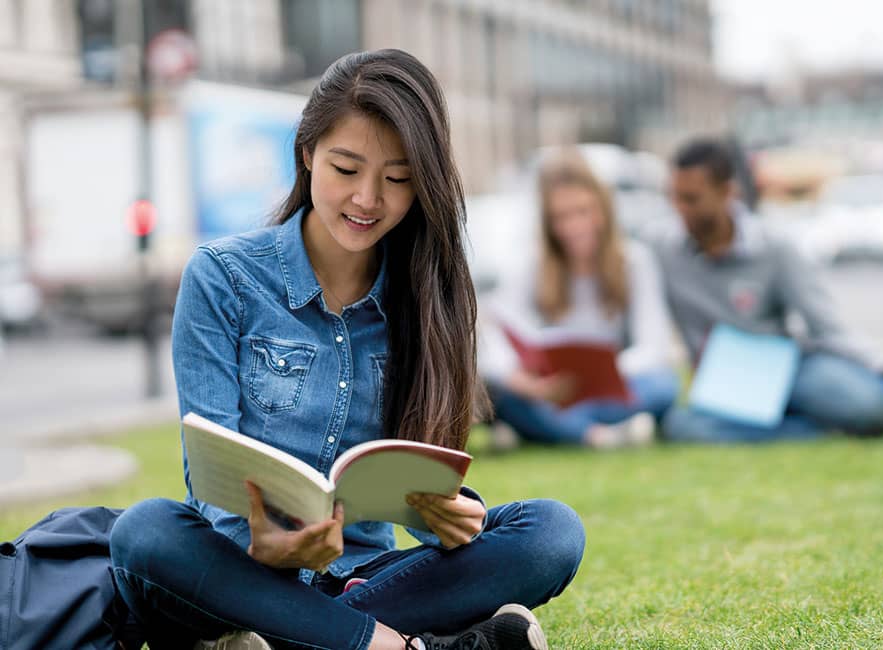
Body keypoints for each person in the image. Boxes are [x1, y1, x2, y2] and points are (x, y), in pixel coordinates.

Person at [109, 50, 584, 650]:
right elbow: (211, 478)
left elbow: (419, 477)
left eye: (397, 179)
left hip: (360, 578)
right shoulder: (223, 277)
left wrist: (452, 517)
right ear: (307, 154)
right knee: (145, 532)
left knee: (551, 532)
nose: (367, 199)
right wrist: (262, 547)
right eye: (346, 168)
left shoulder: (427, 300)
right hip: (235, 574)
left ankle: (302, 635)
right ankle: (397, 645)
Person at [653, 137, 883, 443]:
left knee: (872, 407)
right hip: (726, 384)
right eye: (675, 197)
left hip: (788, 370)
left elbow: (827, 326)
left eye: (691, 199)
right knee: (680, 427)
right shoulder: (661, 249)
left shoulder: (774, 247)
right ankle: (823, 431)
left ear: (727, 191)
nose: (680, 209)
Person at [480, 150, 679, 448]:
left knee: (663, 384)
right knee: (500, 394)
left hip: (611, 386)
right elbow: (494, 336)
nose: (574, 227)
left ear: (603, 209)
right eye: (561, 217)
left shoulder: (634, 260)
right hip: (550, 390)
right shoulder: (531, 264)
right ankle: (599, 436)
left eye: (583, 211)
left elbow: (653, 347)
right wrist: (523, 381)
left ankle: (551, 429)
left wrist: (606, 373)